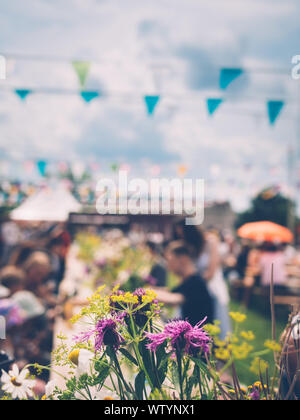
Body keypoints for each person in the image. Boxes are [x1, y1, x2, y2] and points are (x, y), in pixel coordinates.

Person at [153, 241, 214, 326]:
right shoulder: (188, 280)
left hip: (197, 337)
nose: (168, 265)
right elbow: (170, 292)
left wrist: (146, 294)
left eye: (170, 260)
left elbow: (173, 299)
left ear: (183, 259)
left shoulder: (195, 283)